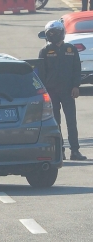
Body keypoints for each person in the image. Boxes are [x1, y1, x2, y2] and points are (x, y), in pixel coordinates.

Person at [38, 21, 87, 161]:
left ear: (62, 33)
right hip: (51, 92)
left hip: (68, 91)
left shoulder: (70, 49)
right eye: (50, 33)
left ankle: (75, 151)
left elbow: (76, 69)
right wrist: (43, 93)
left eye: (55, 32)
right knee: (55, 122)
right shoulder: (45, 51)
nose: (53, 35)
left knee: (71, 121)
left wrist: (76, 86)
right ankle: (60, 151)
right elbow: (41, 73)